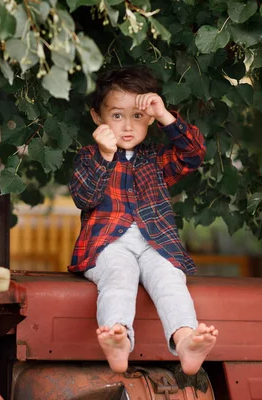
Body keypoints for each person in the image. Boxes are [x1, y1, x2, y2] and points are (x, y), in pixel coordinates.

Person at [68, 66, 218, 376]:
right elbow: (85, 197)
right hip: (108, 245)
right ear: (97, 117)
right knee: (119, 278)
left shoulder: (156, 158)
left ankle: (186, 340)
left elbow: (193, 154)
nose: (127, 126)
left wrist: (164, 115)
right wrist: (105, 156)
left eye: (137, 116)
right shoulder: (89, 156)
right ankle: (118, 337)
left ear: (148, 119)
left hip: (155, 244)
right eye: (117, 115)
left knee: (171, 281)